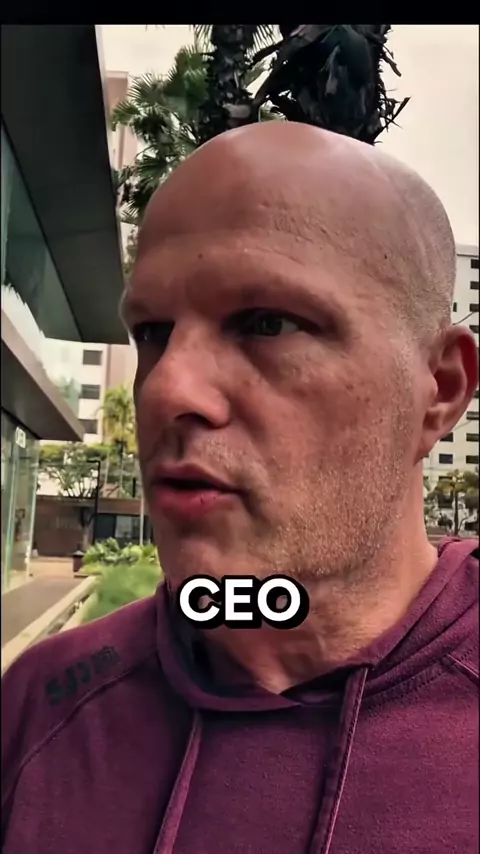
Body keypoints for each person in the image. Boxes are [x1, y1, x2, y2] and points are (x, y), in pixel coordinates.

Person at [2, 123, 478, 854]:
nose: (167, 390)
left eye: (267, 322)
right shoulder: (41, 706)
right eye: (153, 332)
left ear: (439, 390)